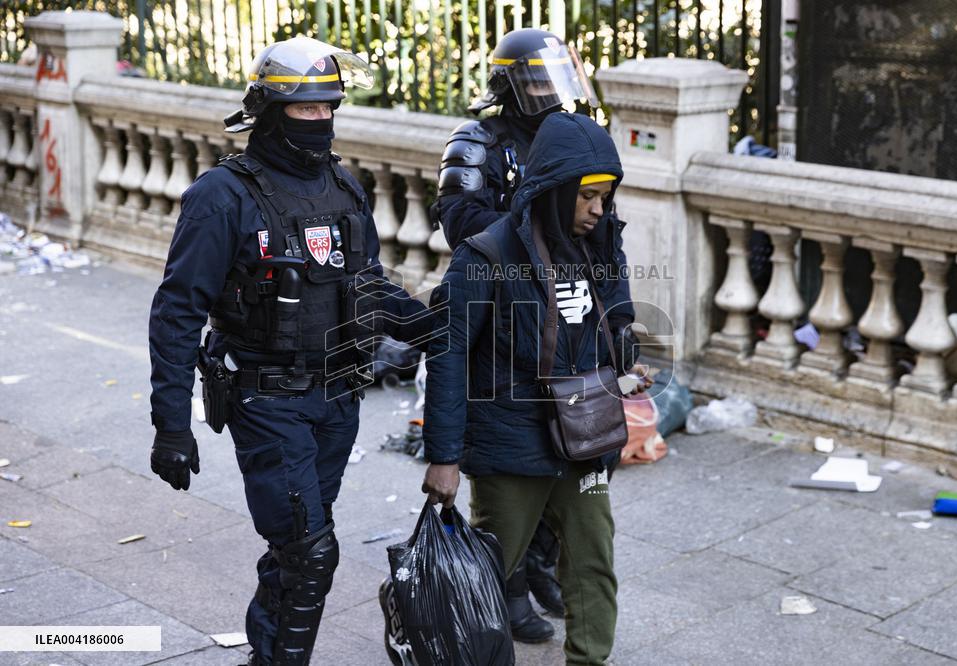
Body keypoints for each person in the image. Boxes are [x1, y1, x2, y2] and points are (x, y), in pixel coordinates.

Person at [147, 36, 434, 666]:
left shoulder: (345, 187)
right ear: (272, 111)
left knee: (298, 547)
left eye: (329, 107)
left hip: (338, 399)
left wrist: (439, 328)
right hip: (267, 401)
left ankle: (266, 653)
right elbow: (175, 314)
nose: (322, 120)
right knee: (311, 552)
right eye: (306, 110)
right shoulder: (221, 197)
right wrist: (171, 425)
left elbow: (369, 285)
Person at [421, 112, 649, 665]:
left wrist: (625, 354)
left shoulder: (602, 244)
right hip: (509, 444)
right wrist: (444, 458)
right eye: (587, 196)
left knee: (593, 557)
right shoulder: (486, 256)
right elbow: (447, 354)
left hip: (585, 438)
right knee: (486, 579)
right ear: (553, 189)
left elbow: (615, 320)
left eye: (606, 195)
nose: (599, 209)